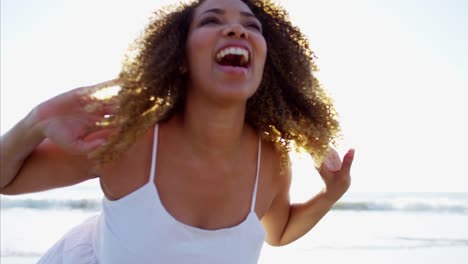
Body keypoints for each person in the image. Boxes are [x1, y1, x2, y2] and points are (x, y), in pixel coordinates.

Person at [0, 0, 355, 263]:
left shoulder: (271, 159)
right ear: (180, 58)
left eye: (252, 26)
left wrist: (330, 194)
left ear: (267, 62)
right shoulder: (130, 142)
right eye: (211, 21)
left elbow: (277, 232)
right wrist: (34, 122)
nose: (236, 30)